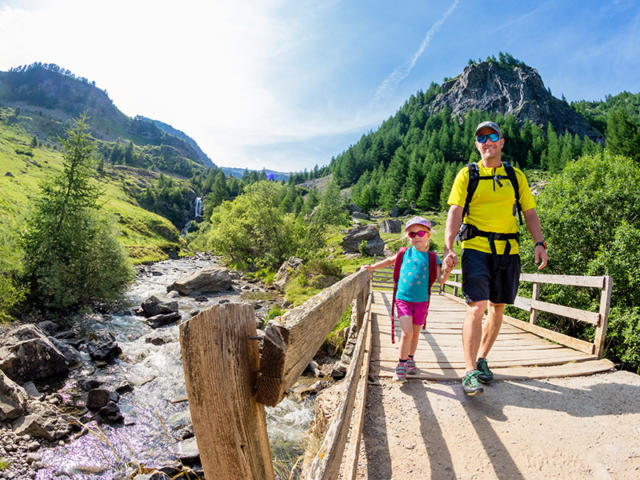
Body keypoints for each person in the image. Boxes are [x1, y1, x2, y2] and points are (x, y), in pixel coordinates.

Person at [443, 120, 548, 396]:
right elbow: (455, 211)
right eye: (481, 138)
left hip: (508, 251)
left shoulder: (517, 176)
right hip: (476, 248)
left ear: (501, 142)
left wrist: (539, 242)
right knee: (476, 307)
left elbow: (529, 213)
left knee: (497, 308)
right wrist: (448, 246)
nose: (487, 141)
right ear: (477, 145)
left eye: (492, 136)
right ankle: (468, 372)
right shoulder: (467, 175)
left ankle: (482, 359)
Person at [363, 216, 451, 381]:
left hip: (422, 301)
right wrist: (372, 267)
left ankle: (410, 358)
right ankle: (401, 365)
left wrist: (447, 271)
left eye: (420, 233)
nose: (416, 236)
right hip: (403, 299)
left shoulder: (433, 258)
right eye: (412, 234)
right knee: (407, 332)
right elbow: (390, 261)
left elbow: (440, 280)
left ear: (428, 235)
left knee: (415, 333)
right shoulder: (405, 252)